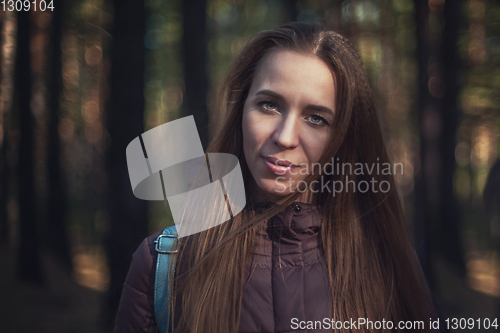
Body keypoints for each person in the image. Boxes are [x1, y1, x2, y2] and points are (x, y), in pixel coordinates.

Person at [114, 22, 437, 333]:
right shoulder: (165, 264)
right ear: (241, 110)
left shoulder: (387, 264)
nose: (285, 137)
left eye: (315, 118)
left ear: (344, 136)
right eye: (269, 105)